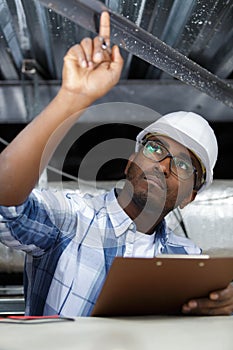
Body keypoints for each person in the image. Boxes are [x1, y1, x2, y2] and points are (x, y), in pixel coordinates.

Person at [0, 12, 232, 317]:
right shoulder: (72, 219)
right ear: (131, 161)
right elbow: (5, 200)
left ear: (190, 197)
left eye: (185, 166)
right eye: (155, 147)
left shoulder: (188, 260)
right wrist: (72, 97)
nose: (163, 166)